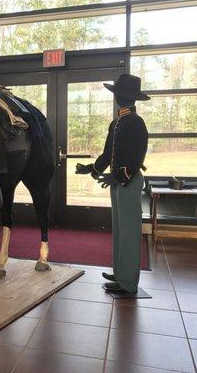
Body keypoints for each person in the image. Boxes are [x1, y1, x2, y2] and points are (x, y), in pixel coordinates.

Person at [76, 74, 149, 295]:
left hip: (128, 181)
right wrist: (93, 169)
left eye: (119, 94)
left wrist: (119, 176)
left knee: (129, 232)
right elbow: (109, 153)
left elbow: (137, 156)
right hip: (117, 182)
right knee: (119, 230)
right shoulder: (117, 122)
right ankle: (120, 273)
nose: (117, 97)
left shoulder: (136, 122)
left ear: (124, 96)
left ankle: (128, 283)